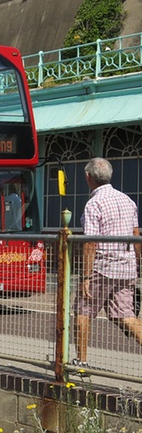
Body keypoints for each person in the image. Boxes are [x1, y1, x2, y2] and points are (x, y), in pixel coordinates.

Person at [72, 157, 142, 368]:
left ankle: (82, 362)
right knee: (126, 315)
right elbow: (136, 235)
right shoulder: (128, 200)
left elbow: (91, 242)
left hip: (102, 268)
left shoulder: (94, 203)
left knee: (83, 311)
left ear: (88, 177)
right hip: (126, 267)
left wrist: (85, 276)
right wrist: (137, 266)